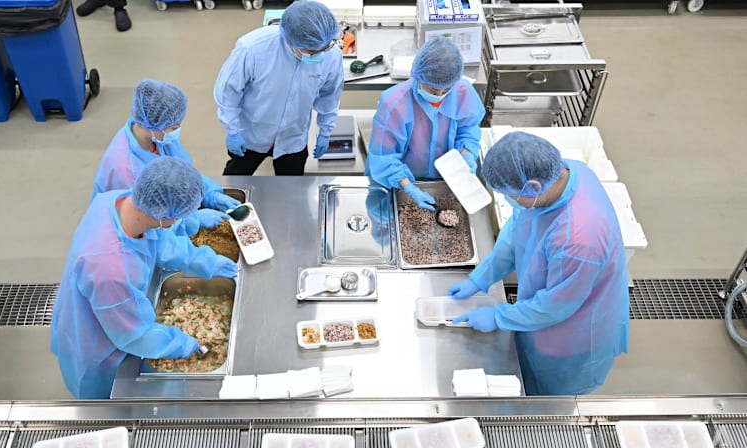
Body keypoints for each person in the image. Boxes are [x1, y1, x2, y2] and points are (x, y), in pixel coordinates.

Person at [447, 132, 629, 396]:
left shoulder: (579, 239)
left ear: (533, 187)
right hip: (548, 304)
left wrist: (498, 316)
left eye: (511, 195)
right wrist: (482, 276)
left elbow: (555, 306)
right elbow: (517, 229)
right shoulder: (563, 173)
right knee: (526, 366)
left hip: (571, 335)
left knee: (549, 397)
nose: (510, 200)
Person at [51, 158, 238, 399]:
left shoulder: (119, 202)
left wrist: (205, 261)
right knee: (105, 406)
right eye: (179, 217)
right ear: (163, 215)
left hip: (102, 306)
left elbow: (159, 241)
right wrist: (181, 343)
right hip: (96, 344)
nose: (179, 222)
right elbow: (134, 334)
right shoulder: (110, 269)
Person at [92, 78, 240, 236]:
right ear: (153, 124)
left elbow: (182, 172)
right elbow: (149, 224)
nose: (177, 131)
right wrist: (194, 219)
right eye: (174, 127)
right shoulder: (126, 169)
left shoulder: (159, 135)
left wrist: (210, 193)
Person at [213, 0, 344, 176]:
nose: (318, 55)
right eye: (311, 52)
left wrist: (325, 132)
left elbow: (330, 96)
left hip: (293, 136)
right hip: (251, 134)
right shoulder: (253, 49)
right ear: (290, 40)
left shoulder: (331, 55)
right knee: (236, 177)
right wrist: (232, 130)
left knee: (291, 185)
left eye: (323, 49)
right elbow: (228, 93)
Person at [366, 37, 485, 211]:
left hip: (447, 178)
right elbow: (384, 157)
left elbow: (468, 128)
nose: (440, 94)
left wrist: (466, 152)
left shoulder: (463, 91)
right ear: (417, 75)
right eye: (433, 89)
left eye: (446, 89)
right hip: (400, 181)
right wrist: (408, 188)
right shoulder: (394, 104)